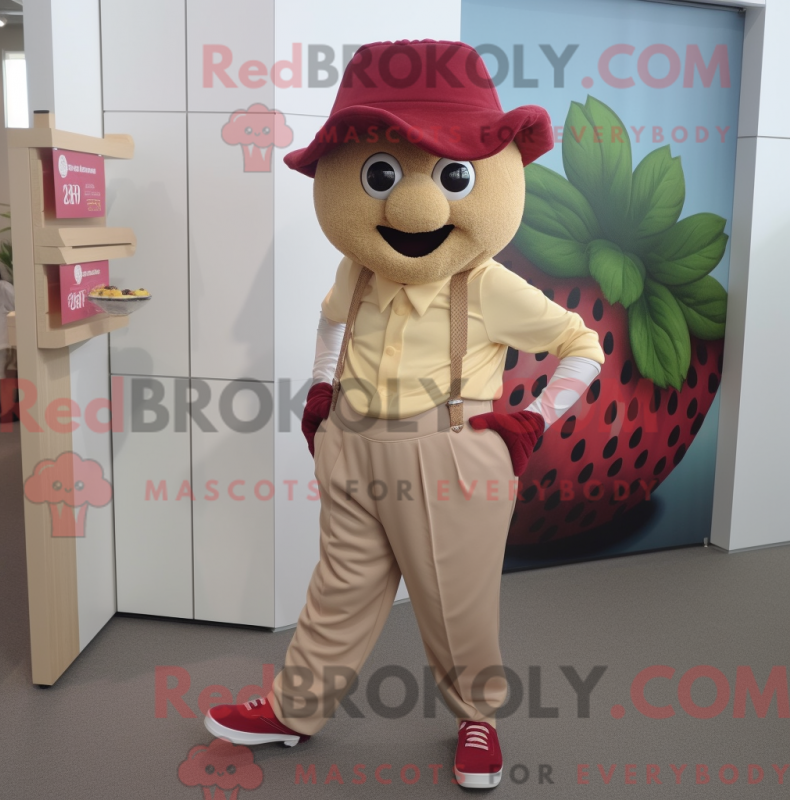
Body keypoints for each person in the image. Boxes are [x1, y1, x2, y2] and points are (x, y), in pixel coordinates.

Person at [204, 40, 604, 789]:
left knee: (455, 603)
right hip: (352, 446)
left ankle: (478, 718)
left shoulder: (488, 285)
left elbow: (582, 345)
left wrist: (535, 419)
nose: (416, 207)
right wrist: (322, 392)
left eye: (454, 176)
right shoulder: (356, 268)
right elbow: (331, 322)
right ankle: (295, 708)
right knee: (339, 589)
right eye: (380, 176)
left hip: (447, 451)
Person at [0, 263, 15, 420]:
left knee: (6, 377)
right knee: (3, 377)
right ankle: (7, 410)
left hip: (4, 342)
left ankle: (8, 411)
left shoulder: (2, 287)